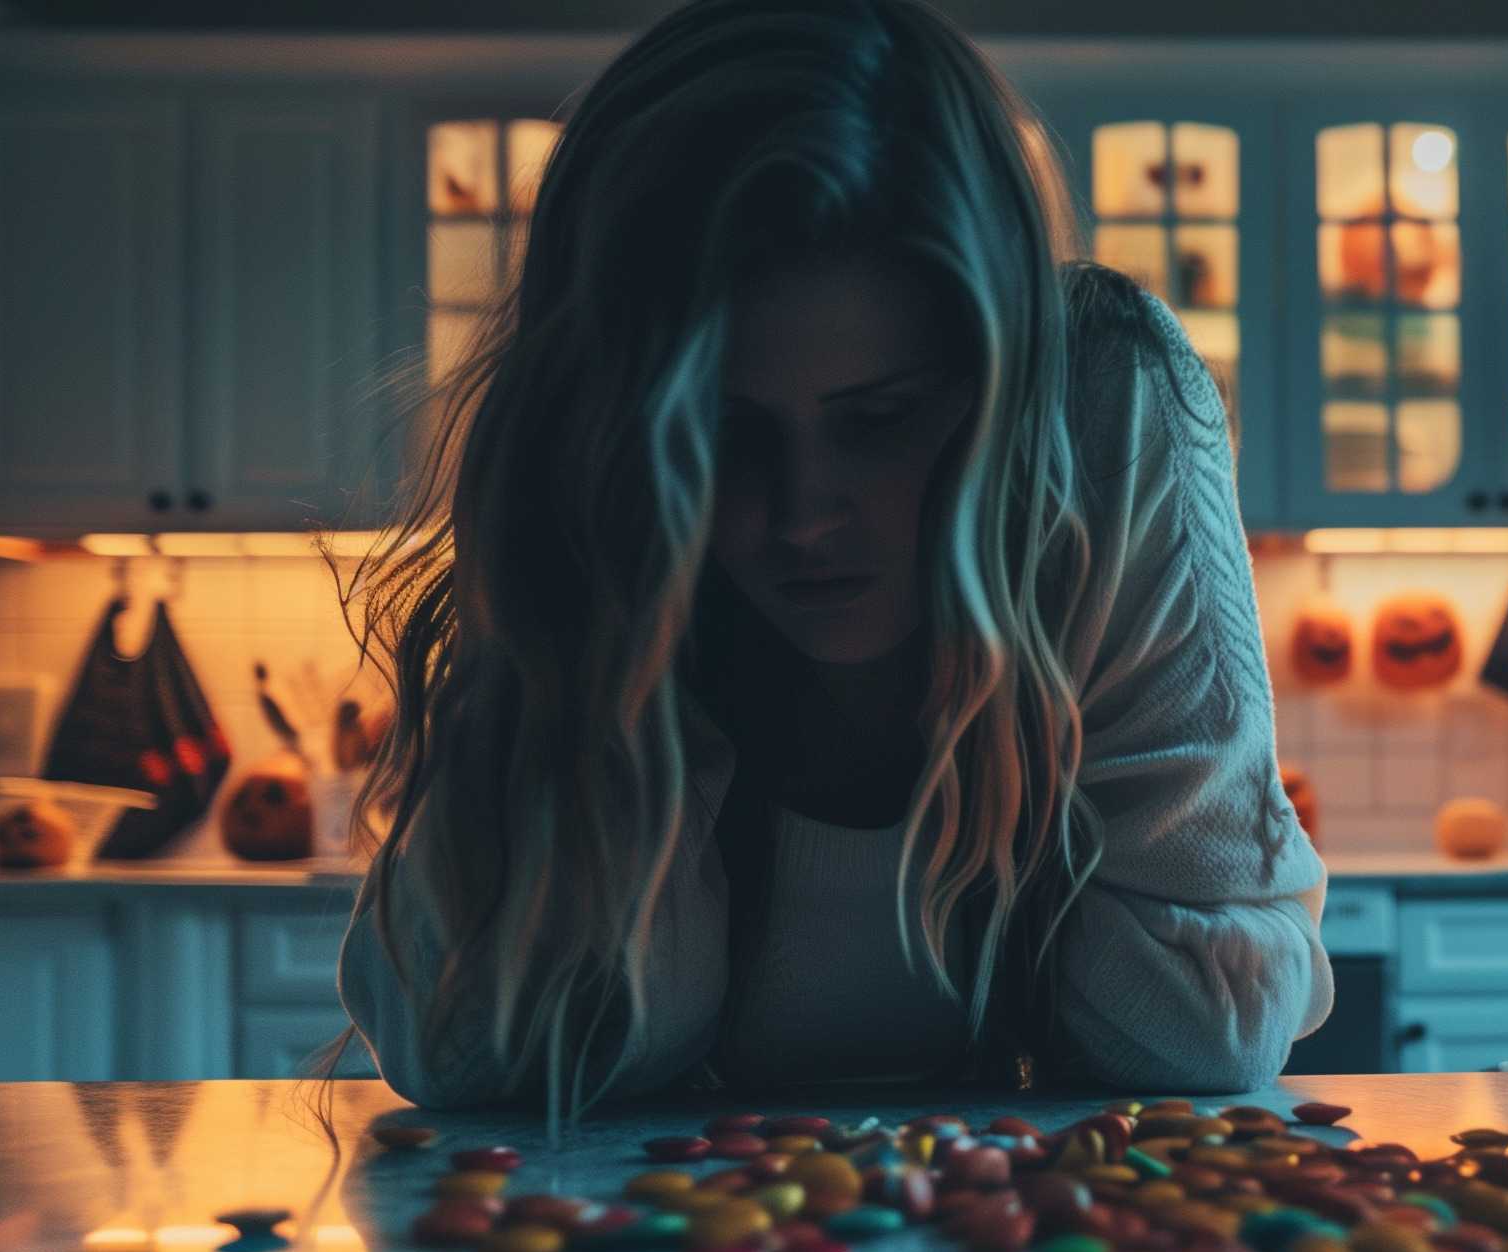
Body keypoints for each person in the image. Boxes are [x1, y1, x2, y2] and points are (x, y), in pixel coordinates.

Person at [333, 0, 1332, 1120]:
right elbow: (470, 1048)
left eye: (880, 421)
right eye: (724, 432)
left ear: (997, 405)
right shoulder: (588, 500)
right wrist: (620, 633)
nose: (803, 517)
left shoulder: (1096, 406)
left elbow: (1204, 1027)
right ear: (617, 427)